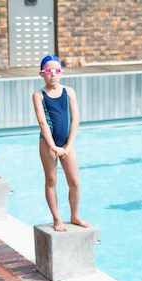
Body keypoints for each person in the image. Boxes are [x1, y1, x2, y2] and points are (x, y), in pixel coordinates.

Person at [32, 55, 89, 232]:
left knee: (75, 181)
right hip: (48, 144)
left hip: (67, 144)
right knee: (51, 180)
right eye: (49, 71)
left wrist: (68, 146)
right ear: (42, 74)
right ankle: (57, 218)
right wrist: (53, 146)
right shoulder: (38, 95)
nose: (53, 75)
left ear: (61, 73)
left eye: (56, 71)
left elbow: (76, 119)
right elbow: (42, 123)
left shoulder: (69, 92)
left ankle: (74, 215)